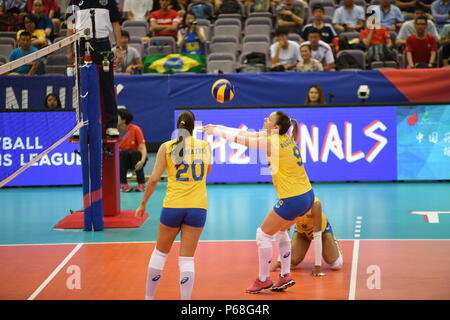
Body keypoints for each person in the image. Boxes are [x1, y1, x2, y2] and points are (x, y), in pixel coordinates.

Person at [203, 111, 315, 294]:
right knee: (280, 230)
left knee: (262, 234)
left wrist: (215, 131)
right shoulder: (281, 137)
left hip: (293, 198)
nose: (265, 120)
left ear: (276, 127)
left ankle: (263, 279)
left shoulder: (271, 141)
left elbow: (242, 140)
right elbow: (248, 134)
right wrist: (217, 127)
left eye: (269, 119)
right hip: (307, 196)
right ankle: (285, 275)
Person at [135, 110, 212, 300]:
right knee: (187, 259)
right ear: (194, 127)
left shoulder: (166, 147)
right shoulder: (205, 146)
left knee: (160, 253)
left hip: (173, 205)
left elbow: (153, 180)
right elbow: (207, 172)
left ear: (177, 127)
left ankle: (148, 298)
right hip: (197, 206)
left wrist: (143, 204)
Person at [67, 0, 122, 139]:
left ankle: (111, 125)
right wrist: (69, 49)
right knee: (81, 86)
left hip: (103, 44)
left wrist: (119, 47)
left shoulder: (108, 1)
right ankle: (80, 123)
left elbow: (115, 24)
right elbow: (70, 25)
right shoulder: (74, 1)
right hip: (81, 44)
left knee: (107, 85)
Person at [270, 197, 343, 275]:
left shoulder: (315, 203)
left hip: (321, 232)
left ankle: (334, 241)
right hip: (302, 231)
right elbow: (284, 232)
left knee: (336, 265)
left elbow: (317, 236)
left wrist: (317, 266)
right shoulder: (288, 203)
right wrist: (280, 260)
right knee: (292, 263)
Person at [118, 108, 147, 192]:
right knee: (123, 152)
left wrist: (142, 161)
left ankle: (141, 183)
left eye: (117, 117)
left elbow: (142, 147)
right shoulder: (115, 131)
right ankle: (123, 184)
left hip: (136, 160)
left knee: (134, 152)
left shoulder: (135, 129)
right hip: (122, 160)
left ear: (123, 119)